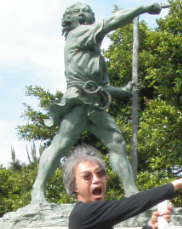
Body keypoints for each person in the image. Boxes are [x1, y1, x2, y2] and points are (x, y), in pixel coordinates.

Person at [30, 2, 166, 204]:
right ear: (75, 20)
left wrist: (123, 91)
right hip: (78, 101)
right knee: (61, 144)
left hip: (95, 105)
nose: (85, 15)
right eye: (80, 12)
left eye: (88, 12)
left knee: (116, 142)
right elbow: (111, 22)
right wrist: (142, 9)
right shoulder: (78, 34)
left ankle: (131, 192)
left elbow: (100, 87)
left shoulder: (95, 55)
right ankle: (38, 189)